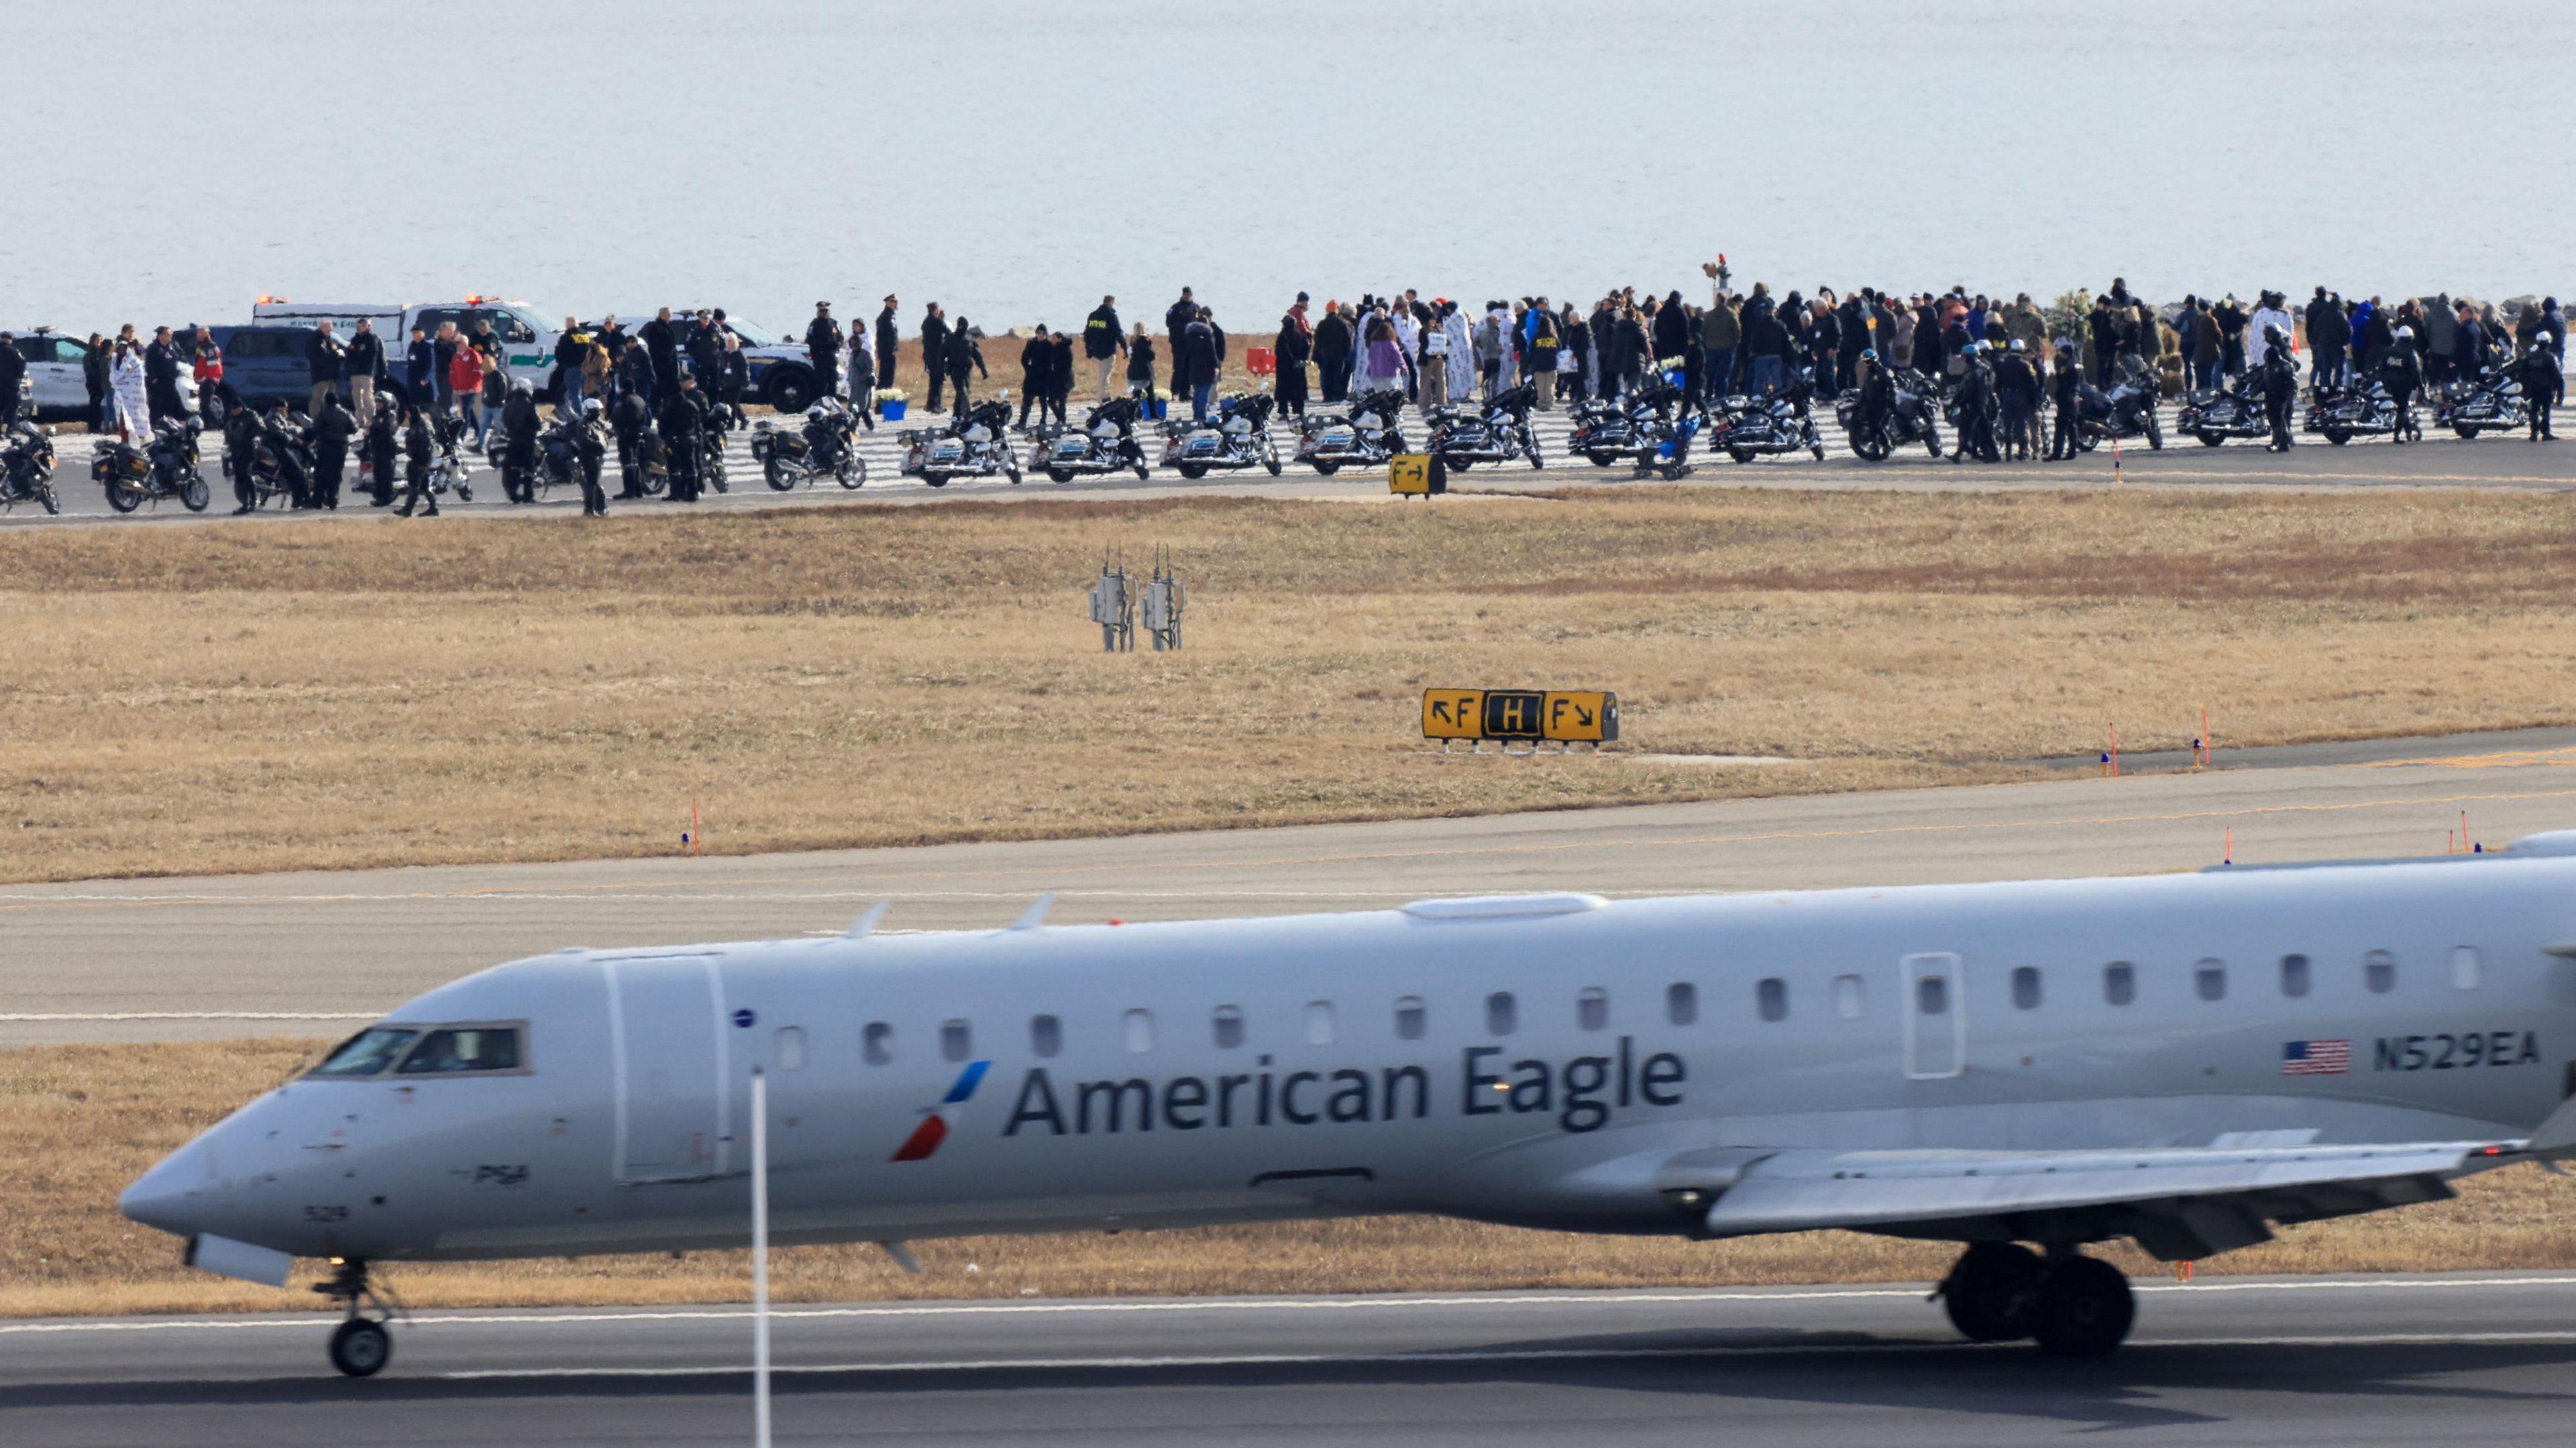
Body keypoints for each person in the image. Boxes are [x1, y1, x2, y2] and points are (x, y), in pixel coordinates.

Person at [661, 373, 706, 502]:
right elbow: (697, 422)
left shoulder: (671, 406)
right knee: (690, 467)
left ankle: (680, 492)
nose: (682, 383)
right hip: (690, 439)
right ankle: (691, 493)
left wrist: (665, 437)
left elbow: (663, 423)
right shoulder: (690, 404)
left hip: (676, 440)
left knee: (677, 467)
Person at [311, 391, 356, 508]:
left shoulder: (323, 414)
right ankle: (333, 499)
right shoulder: (346, 413)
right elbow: (354, 428)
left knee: (321, 474)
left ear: (326, 401)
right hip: (340, 447)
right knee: (336, 475)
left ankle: (318, 500)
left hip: (325, 447)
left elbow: (315, 429)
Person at [1994, 339, 2039, 461]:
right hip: (2021, 397)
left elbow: (1997, 384)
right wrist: (2032, 400)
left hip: (2007, 396)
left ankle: (2008, 453)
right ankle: (2022, 452)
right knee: (2021, 426)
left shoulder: (2003, 365)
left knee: (2007, 426)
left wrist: (2001, 397)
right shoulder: (2025, 365)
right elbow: (2033, 384)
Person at [2258, 327, 2300, 451]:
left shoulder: (2283, 364)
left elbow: (2292, 381)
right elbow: (2265, 381)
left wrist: (2289, 396)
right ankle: (2283, 442)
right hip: (2272, 396)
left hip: (2282, 396)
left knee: (2281, 419)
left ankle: (2282, 443)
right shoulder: (2269, 367)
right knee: (2275, 420)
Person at [500, 380, 541, 503]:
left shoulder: (509, 405)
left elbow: (504, 420)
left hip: (512, 441)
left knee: (514, 467)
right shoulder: (529, 405)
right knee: (529, 469)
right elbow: (537, 424)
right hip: (527, 441)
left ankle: (513, 494)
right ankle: (528, 495)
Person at [394, 404, 439, 517]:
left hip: (420, 460)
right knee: (424, 486)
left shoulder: (420, 427)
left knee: (414, 485)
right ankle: (433, 508)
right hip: (416, 458)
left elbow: (423, 446)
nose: (407, 415)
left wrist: (421, 463)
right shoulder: (415, 424)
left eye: (408, 412)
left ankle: (407, 510)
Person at [2381, 325, 2422, 443]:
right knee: (2402, 410)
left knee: (2401, 409)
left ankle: (2409, 433)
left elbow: (2382, 368)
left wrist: (2385, 382)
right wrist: (2421, 386)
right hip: (2405, 385)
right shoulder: (2410, 352)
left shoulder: (2389, 350)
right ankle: (2397, 436)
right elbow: (2417, 371)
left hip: (2391, 384)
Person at [611, 386, 654, 498]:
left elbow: (618, 416)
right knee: (636, 462)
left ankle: (629, 491)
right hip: (638, 433)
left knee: (627, 463)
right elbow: (647, 416)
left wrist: (618, 429)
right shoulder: (640, 399)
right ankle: (638, 490)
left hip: (626, 434)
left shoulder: (624, 400)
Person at [1274, 294, 1312, 419]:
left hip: (1285, 368)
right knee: (1298, 390)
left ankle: (1284, 412)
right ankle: (1300, 411)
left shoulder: (1283, 336)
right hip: (1298, 368)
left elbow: (1280, 351)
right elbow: (1307, 348)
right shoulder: (1300, 336)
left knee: (1284, 391)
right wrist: (1302, 360)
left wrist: (1290, 360)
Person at [222, 398, 262, 513]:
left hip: (248, 449)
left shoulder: (250, 415)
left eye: (235, 409)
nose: (233, 411)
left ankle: (253, 501)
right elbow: (227, 433)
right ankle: (245, 503)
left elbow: (259, 429)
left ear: (241, 407)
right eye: (232, 409)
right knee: (239, 477)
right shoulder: (231, 419)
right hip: (236, 450)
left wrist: (248, 438)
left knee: (246, 474)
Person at [2045, 341, 2084, 460]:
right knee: (2072, 426)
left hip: (2066, 397)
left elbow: (2061, 381)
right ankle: (2072, 451)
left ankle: (2057, 453)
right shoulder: (2077, 363)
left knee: (2061, 426)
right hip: (2074, 396)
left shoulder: (2066, 365)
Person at [2520, 335, 2562, 441]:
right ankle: (2546, 433)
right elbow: (2558, 376)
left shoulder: (2529, 357)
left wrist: (2525, 390)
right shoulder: (2550, 357)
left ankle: (2534, 433)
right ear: (2548, 343)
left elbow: (2523, 374)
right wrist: (2560, 395)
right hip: (2547, 388)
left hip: (2533, 388)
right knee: (2546, 411)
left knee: (2534, 411)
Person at [1181, 309, 1220, 422]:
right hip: (1207, 369)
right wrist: (1215, 366)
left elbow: (1186, 354)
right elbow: (1211, 353)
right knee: (1204, 394)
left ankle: (1196, 415)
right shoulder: (1207, 336)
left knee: (1197, 392)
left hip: (1194, 368)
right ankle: (1201, 417)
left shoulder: (1189, 336)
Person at [1083, 295, 1125, 402]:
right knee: (1105, 375)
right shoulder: (1111, 314)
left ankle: (1103, 395)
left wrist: (1089, 350)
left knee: (1103, 374)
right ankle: (1103, 397)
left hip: (1097, 350)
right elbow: (1118, 331)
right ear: (1111, 302)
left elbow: (1087, 334)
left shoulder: (1093, 315)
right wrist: (1124, 346)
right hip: (1108, 350)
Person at [572, 398, 610, 516]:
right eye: (594, 411)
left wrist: (607, 437)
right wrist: (598, 444)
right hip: (588, 456)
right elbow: (584, 440)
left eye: (598, 411)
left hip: (597, 456)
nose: (597, 413)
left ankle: (600, 508)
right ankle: (590, 509)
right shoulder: (583, 424)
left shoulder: (597, 422)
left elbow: (606, 431)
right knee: (592, 484)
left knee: (594, 483)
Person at [345, 318, 385, 424]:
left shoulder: (372, 339)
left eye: (362, 326)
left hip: (367, 372)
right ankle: (361, 421)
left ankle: (371, 420)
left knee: (367, 397)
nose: (359, 328)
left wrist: (383, 371)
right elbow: (350, 355)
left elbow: (374, 356)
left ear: (368, 326)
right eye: (358, 326)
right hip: (355, 373)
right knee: (357, 398)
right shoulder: (355, 339)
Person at [943, 321, 987, 416]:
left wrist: (984, 370)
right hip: (955, 370)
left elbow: (977, 356)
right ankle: (967, 415)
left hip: (967, 372)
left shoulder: (970, 340)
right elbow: (942, 355)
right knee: (963, 392)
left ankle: (957, 416)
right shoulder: (951, 339)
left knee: (962, 394)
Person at [144, 326, 186, 426]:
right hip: (158, 381)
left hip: (170, 380)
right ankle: (154, 424)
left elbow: (180, 356)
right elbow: (149, 364)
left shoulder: (172, 347)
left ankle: (171, 422)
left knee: (172, 402)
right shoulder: (153, 348)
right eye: (168, 335)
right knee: (156, 404)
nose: (170, 337)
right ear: (161, 336)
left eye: (171, 335)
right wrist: (153, 378)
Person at [110, 339, 151, 443]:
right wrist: (117, 381)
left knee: (138, 419)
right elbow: (113, 376)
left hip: (134, 396)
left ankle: (143, 445)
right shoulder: (115, 361)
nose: (122, 350)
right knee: (122, 420)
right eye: (120, 348)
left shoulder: (134, 361)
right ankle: (125, 443)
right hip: (120, 396)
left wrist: (124, 383)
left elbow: (136, 378)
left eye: (125, 348)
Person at [450, 339, 488, 446]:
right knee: (469, 410)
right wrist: (455, 385)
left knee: (465, 412)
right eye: (456, 343)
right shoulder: (456, 356)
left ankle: (461, 437)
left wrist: (470, 383)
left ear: (465, 344)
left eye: (459, 343)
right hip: (461, 389)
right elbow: (453, 372)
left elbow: (480, 372)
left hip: (472, 389)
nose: (457, 345)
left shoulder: (473, 354)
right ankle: (478, 430)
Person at [1312, 302, 1352, 404]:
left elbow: (1317, 340)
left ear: (1327, 311)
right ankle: (1336, 396)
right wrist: (1346, 353)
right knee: (1337, 375)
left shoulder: (1322, 324)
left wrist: (1317, 354)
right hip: (1338, 355)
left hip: (1325, 355)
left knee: (1325, 375)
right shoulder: (1342, 324)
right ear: (1337, 310)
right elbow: (1347, 341)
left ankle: (1327, 396)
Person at [1017, 327, 1055, 429]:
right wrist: (1028, 369)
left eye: (1043, 333)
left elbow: (1053, 360)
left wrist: (1050, 372)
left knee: (1043, 400)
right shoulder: (1032, 343)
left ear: (1046, 334)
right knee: (1027, 400)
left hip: (1044, 376)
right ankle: (1022, 422)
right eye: (1038, 332)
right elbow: (1024, 358)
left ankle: (1043, 421)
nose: (1040, 335)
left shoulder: (1049, 345)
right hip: (1032, 375)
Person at [363, 395, 398, 506]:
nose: (378, 405)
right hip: (376, 449)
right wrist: (368, 433)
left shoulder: (390, 415)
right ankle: (379, 497)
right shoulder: (376, 417)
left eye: (380, 403)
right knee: (378, 474)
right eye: (377, 402)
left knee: (386, 475)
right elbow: (372, 430)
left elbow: (389, 429)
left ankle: (387, 497)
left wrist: (374, 425)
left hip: (387, 449)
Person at [641, 307, 681, 401]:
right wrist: (666, 359)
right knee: (663, 389)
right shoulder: (656, 328)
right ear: (662, 315)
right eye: (669, 314)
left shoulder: (667, 327)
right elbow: (656, 347)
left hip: (670, 363)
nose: (671, 316)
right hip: (662, 365)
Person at [1164, 287, 1197, 396]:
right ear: (1183, 295)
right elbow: (1168, 322)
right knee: (1179, 368)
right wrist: (1181, 328)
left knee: (1189, 368)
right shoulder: (1175, 308)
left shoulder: (1195, 308)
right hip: (1179, 343)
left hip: (1192, 344)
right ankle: (1174, 391)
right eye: (1186, 295)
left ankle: (1185, 392)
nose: (1187, 297)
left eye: (1189, 295)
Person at [686, 310, 724, 398]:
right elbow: (688, 346)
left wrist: (718, 354)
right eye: (704, 318)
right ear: (700, 319)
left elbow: (723, 344)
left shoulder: (717, 329)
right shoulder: (695, 330)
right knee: (702, 386)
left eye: (708, 318)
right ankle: (703, 404)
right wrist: (698, 354)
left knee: (715, 385)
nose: (706, 320)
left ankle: (714, 405)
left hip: (715, 363)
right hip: (701, 363)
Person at [919, 302, 950, 410]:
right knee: (939, 380)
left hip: (928, 354)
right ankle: (936, 405)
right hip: (937, 354)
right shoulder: (937, 321)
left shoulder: (926, 321)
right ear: (936, 310)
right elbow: (948, 332)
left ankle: (930, 404)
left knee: (933, 380)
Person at [844, 334, 875, 429]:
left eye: (855, 344)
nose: (853, 346)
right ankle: (866, 426)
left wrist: (861, 378)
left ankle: (857, 426)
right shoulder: (852, 355)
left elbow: (870, 369)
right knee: (860, 408)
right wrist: (850, 379)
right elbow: (851, 369)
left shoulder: (866, 354)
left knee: (859, 407)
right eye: (851, 344)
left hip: (863, 386)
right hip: (854, 386)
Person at [407, 326, 436, 416]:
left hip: (422, 380)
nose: (414, 335)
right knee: (414, 404)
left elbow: (429, 364)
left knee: (425, 405)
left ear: (422, 333)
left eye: (416, 333)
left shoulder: (427, 347)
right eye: (413, 333)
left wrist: (425, 378)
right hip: (413, 379)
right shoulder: (412, 345)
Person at [1124, 323, 1157, 402]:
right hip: (1145, 371)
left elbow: (1130, 355)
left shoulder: (1132, 342)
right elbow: (1152, 356)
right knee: (1150, 395)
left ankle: (1136, 412)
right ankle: (1153, 413)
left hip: (1133, 371)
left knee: (1136, 395)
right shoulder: (1146, 342)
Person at [875, 295, 901, 394]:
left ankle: (884, 403)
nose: (896, 304)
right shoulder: (885, 317)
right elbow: (884, 336)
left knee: (889, 379)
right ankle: (880, 404)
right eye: (893, 301)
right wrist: (888, 349)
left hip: (890, 352)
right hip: (887, 352)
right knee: (885, 379)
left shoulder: (891, 316)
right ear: (887, 303)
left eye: (896, 301)